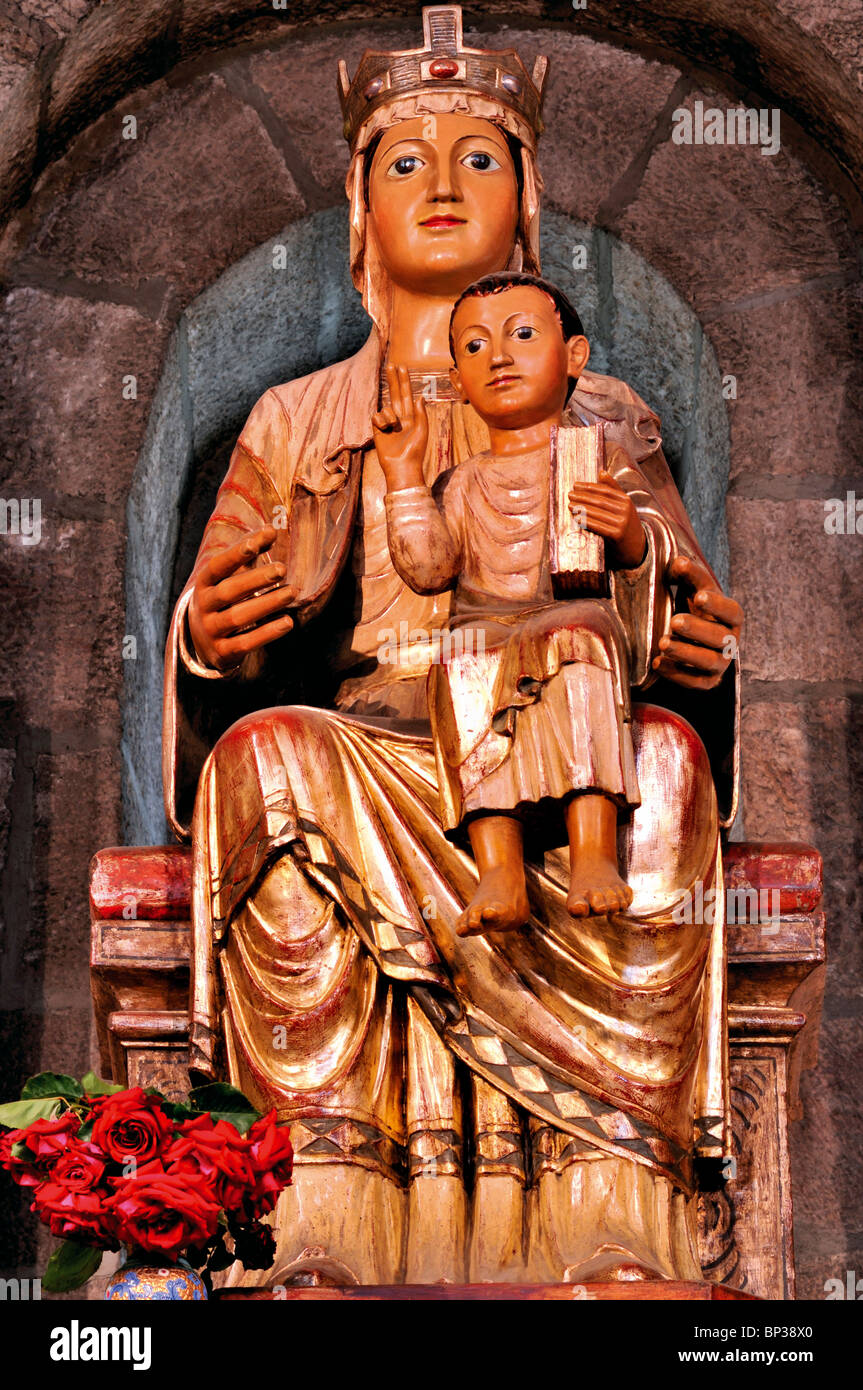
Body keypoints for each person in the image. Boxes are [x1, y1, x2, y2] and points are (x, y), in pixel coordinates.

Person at [163, 8, 743, 1286]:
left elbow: (679, 596)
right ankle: (323, 1214)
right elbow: (223, 615)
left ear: (526, 207)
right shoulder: (295, 413)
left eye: (477, 157)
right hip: (378, 740)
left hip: (557, 724)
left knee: (661, 776)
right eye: (403, 161)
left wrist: (674, 615)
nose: (438, 184)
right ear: (358, 211)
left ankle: (607, 1207)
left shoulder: (610, 412)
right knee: (262, 763)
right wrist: (210, 640)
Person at [376, 271, 649, 935]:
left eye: (522, 335)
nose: (497, 356)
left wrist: (631, 535)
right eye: (472, 347)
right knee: (458, 661)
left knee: (577, 634)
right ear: (457, 379)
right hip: (483, 630)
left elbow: (655, 555)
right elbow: (429, 570)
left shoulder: (594, 457)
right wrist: (405, 477)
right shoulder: (462, 480)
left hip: (570, 617)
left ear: (574, 356)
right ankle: (496, 864)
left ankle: (592, 850)